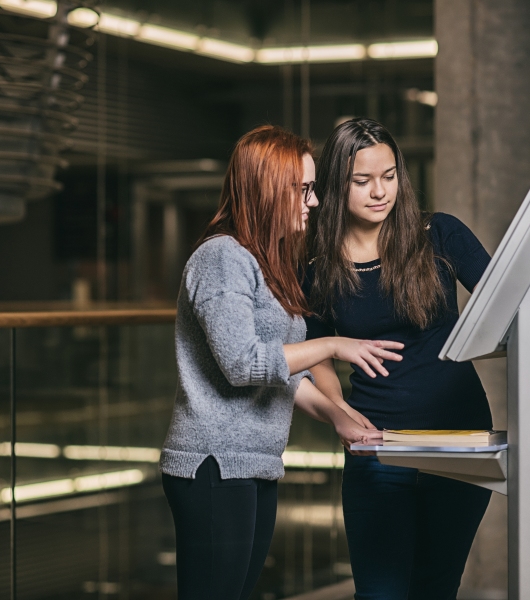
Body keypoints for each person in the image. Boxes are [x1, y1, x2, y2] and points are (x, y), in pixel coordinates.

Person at [159, 125, 404, 600]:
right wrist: (332, 345)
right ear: (267, 190)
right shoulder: (222, 257)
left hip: (254, 462)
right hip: (212, 463)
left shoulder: (267, 264)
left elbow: (279, 371)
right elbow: (243, 364)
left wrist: (340, 416)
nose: (313, 202)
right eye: (303, 190)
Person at [303, 118, 494, 599]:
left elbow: (508, 301)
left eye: (388, 176)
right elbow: (316, 352)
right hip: (379, 447)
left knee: (436, 589)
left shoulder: (440, 236)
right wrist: (341, 413)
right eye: (362, 181)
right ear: (335, 184)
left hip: (462, 443)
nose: (379, 192)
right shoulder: (317, 264)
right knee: (380, 593)